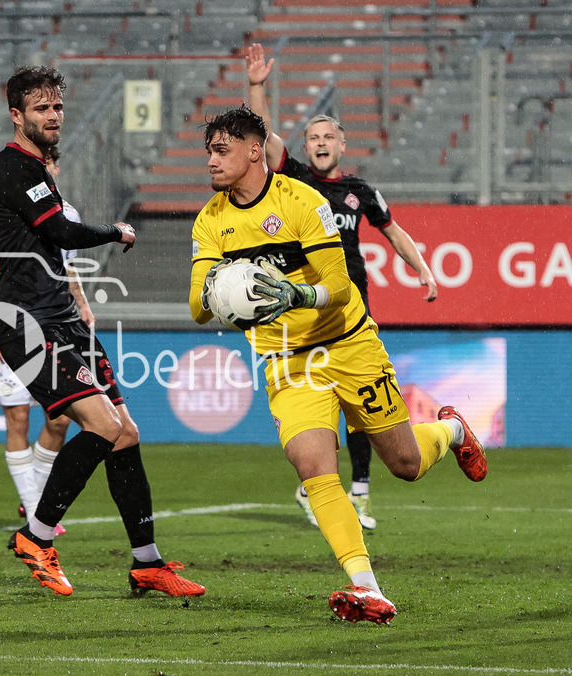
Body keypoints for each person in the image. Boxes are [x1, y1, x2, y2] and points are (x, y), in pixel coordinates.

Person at [188, 105, 486, 623]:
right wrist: (226, 292)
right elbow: (196, 307)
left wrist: (292, 293)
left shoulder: (303, 201)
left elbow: (340, 285)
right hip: (287, 360)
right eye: (209, 151)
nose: (211, 161)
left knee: (405, 465)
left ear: (254, 151)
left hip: (348, 344)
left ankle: (453, 432)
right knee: (314, 467)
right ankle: (367, 588)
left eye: (222, 149)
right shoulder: (210, 220)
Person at [0, 66, 204, 598]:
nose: (54, 116)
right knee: (102, 427)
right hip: (30, 324)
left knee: (125, 432)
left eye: (58, 107)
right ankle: (36, 536)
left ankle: (146, 562)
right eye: (42, 108)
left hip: (62, 319)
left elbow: (50, 244)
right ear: (17, 115)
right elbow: (60, 232)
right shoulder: (12, 167)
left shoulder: (36, 169)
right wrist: (116, 230)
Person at [245, 42, 439, 531]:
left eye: (328, 135)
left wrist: (423, 269)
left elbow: (393, 231)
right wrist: (256, 85)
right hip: (305, 315)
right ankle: (328, 486)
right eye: (312, 137)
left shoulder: (361, 192)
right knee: (320, 403)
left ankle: (358, 493)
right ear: (306, 147)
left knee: (360, 411)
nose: (320, 142)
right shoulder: (293, 180)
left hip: (351, 312)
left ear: (343, 143)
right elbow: (262, 135)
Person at [0, 148, 95, 534]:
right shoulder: (8, 213)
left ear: (55, 168)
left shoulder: (67, 214)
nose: (44, 169)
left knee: (61, 416)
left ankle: (33, 496)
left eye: (50, 163)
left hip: (53, 325)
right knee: (18, 418)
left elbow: (65, 266)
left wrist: (81, 304)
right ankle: (35, 506)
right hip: (8, 328)